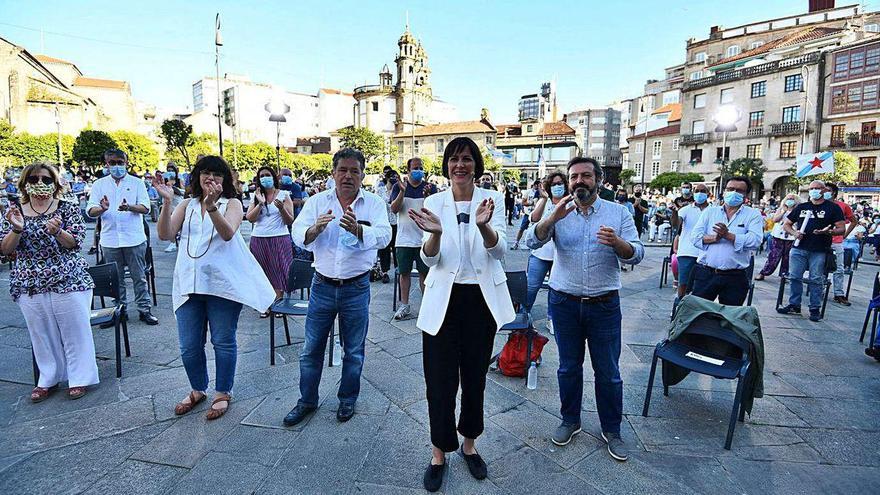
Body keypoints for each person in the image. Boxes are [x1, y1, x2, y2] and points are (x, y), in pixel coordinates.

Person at [407, 137, 515, 491]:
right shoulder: (434, 201)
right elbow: (429, 259)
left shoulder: (493, 199)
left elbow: (501, 252)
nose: (460, 165)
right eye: (453, 159)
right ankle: (439, 452)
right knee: (438, 381)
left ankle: (469, 444)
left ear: (476, 164)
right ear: (446, 165)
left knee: (474, 378)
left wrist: (484, 226)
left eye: (466, 158)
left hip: (480, 301)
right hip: (443, 300)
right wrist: (435, 235)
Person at [527, 157, 644, 462]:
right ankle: (570, 420)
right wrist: (552, 218)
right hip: (564, 303)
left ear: (599, 180)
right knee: (568, 367)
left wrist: (618, 244)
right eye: (574, 176)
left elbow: (637, 254)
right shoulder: (560, 211)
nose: (579, 181)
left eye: (586, 176)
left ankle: (612, 430)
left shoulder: (618, 213)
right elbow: (530, 241)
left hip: (604, 304)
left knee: (608, 372)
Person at [155, 156, 274, 420]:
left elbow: (229, 232)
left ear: (225, 180)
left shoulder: (231, 203)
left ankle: (223, 392)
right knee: (188, 345)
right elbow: (165, 234)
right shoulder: (186, 204)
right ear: (197, 176)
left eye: (217, 175)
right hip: (189, 284)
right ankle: (198, 389)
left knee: (223, 340)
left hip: (222, 285)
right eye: (206, 173)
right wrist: (166, 202)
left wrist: (211, 208)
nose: (211, 179)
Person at [283, 148, 392, 427]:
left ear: (362, 175)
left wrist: (359, 230)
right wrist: (314, 231)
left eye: (354, 171)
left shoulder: (375, 203)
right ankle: (307, 400)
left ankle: (347, 398)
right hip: (322, 285)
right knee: (311, 348)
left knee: (353, 349)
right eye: (342, 170)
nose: (347, 176)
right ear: (333, 173)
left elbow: (385, 235)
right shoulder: (318, 202)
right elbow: (298, 233)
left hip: (356, 287)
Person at [1, 162, 98, 402]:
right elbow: (5, 249)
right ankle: (48, 378)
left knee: (75, 330)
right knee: (40, 333)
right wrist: (16, 229)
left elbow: (75, 243)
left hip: (67, 277)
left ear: (55, 183)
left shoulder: (66, 207)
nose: (40, 183)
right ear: (24, 184)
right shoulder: (15, 211)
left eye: (45, 179)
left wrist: (57, 232)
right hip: (29, 280)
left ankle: (79, 378)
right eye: (33, 179)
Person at [86, 149, 158, 325]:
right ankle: (120, 310)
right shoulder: (99, 184)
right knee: (115, 279)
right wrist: (102, 209)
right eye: (113, 163)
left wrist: (130, 207)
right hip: (110, 239)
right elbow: (90, 210)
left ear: (126, 163)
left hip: (133, 238)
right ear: (106, 164)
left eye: (120, 162)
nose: (117, 166)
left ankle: (144, 309)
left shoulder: (137, 183)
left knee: (139, 276)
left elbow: (145, 207)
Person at [777, 180, 845, 322]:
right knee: (794, 277)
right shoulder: (802, 207)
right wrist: (795, 233)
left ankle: (814, 308)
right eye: (811, 188)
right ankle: (794, 304)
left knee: (815, 279)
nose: (813, 191)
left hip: (819, 249)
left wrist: (829, 232)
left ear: (823, 190)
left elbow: (841, 228)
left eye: (817, 188)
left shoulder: (832, 208)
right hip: (799, 247)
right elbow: (787, 224)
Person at [689, 176, 763, 306]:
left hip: (735, 276)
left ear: (746, 195)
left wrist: (728, 235)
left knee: (730, 316)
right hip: (706, 273)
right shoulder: (710, 212)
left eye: (739, 190)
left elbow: (755, 240)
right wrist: (714, 238)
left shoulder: (753, 214)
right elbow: (695, 237)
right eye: (730, 189)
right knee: (698, 312)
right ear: (724, 192)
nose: (733, 193)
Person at [390, 157, 436, 320]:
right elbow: (394, 209)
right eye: (415, 168)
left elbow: (435, 212)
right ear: (408, 170)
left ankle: (427, 306)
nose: (418, 171)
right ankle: (404, 305)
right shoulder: (398, 187)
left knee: (425, 273)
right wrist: (402, 192)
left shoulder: (430, 187)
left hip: (425, 239)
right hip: (404, 239)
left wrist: (429, 197)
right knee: (404, 273)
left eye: (420, 167)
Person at [245, 166, 295, 309]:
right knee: (261, 271)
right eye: (262, 176)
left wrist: (281, 209)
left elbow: (290, 220)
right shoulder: (256, 196)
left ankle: (278, 303)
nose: (265, 178)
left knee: (278, 270)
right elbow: (250, 218)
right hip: (259, 238)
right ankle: (265, 305)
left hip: (279, 237)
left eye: (267, 175)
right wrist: (260, 203)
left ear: (274, 177)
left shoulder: (284, 195)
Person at [525, 172, 567, 333]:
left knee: (555, 289)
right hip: (540, 254)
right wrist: (542, 199)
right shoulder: (546, 202)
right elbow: (534, 219)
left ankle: (552, 318)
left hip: (560, 255)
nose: (558, 187)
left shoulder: (569, 202)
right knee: (531, 287)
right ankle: (524, 314)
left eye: (560, 183)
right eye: (554, 184)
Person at [671, 183, 710, 298]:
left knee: (703, 286)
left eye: (703, 191)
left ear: (708, 193)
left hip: (706, 253)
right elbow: (676, 224)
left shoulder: (714, 210)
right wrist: (674, 213)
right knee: (683, 284)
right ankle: (679, 306)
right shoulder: (685, 210)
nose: (700, 193)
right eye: (697, 191)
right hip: (687, 252)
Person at [755, 194, 799, 281]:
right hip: (778, 235)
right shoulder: (781, 209)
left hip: (791, 236)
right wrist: (783, 211)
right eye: (788, 198)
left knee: (787, 257)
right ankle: (764, 272)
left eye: (792, 199)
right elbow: (775, 220)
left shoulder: (797, 210)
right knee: (774, 255)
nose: (790, 200)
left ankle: (784, 275)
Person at [826, 184, 855, 306]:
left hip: (836, 241)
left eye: (827, 190)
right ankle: (818, 289)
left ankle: (838, 293)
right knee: (819, 267)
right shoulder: (816, 205)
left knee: (839, 268)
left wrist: (845, 235)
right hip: (819, 241)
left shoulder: (843, 206)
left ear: (833, 193)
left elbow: (853, 221)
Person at [375, 168, 399, 283]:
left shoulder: (399, 190)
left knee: (396, 248)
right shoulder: (380, 190)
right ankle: (385, 272)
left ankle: (398, 271)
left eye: (396, 177)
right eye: (392, 177)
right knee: (384, 248)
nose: (394, 179)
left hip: (396, 222)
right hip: (384, 222)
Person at [162, 163, 185, 252]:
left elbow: (183, 191)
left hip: (178, 203)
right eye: (169, 170)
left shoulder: (179, 179)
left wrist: (175, 189)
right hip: (169, 204)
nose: (170, 172)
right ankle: (172, 242)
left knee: (180, 223)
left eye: (172, 170)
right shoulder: (165, 180)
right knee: (170, 223)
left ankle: (180, 239)